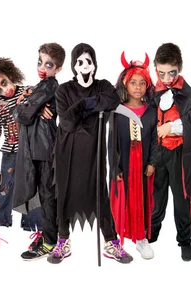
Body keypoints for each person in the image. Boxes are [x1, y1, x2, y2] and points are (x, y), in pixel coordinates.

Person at [50, 43, 132, 264]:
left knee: (99, 192)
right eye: (80, 62)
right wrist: (91, 107)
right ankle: (63, 240)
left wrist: (84, 104)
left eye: (88, 61)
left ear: (94, 64)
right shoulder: (63, 90)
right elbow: (66, 122)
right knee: (64, 193)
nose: (84, 65)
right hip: (67, 150)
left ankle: (111, 241)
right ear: (74, 66)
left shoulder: (103, 86)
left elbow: (113, 99)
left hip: (94, 151)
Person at [148, 42, 191, 262]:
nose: (166, 78)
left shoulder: (187, 92)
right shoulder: (151, 90)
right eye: (161, 72)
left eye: (171, 73)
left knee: (181, 199)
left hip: (178, 152)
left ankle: (184, 239)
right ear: (155, 68)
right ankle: (151, 233)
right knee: (155, 195)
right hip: (156, 153)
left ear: (180, 68)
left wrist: (170, 128)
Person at [0, 58, 43, 250]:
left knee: (34, 189)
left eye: (3, 82)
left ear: (10, 75)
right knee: (6, 187)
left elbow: (44, 107)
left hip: (33, 150)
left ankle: (39, 229)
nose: (4, 90)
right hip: (11, 152)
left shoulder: (28, 91)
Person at [14, 43, 65, 260]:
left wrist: (26, 105)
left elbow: (22, 115)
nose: (42, 67)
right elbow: (23, 111)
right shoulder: (40, 86)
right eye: (40, 62)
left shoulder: (48, 86)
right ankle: (48, 236)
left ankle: (50, 241)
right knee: (43, 194)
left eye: (49, 64)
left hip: (45, 148)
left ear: (58, 68)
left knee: (47, 195)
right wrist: (27, 103)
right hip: (38, 146)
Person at [108, 52, 156, 259]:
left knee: (143, 199)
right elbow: (112, 141)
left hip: (144, 164)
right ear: (125, 85)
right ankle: (116, 239)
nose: (138, 87)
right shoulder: (117, 111)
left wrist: (153, 161)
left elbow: (155, 138)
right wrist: (115, 166)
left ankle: (141, 237)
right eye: (133, 83)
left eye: (142, 83)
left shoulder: (151, 111)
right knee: (122, 199)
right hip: (124, 163)